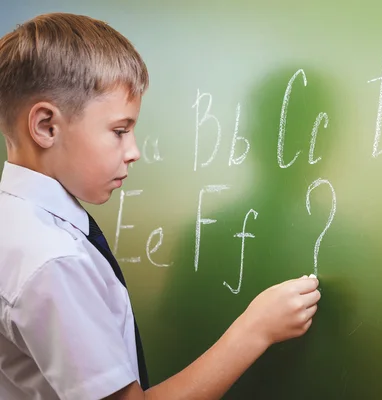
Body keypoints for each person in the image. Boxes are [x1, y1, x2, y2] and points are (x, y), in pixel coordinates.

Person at [0, 12, 321, 400]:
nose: (134, 151)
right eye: (119, 131)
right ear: (46, 126)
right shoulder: (53, 262)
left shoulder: (18, 223)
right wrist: (255, 330)